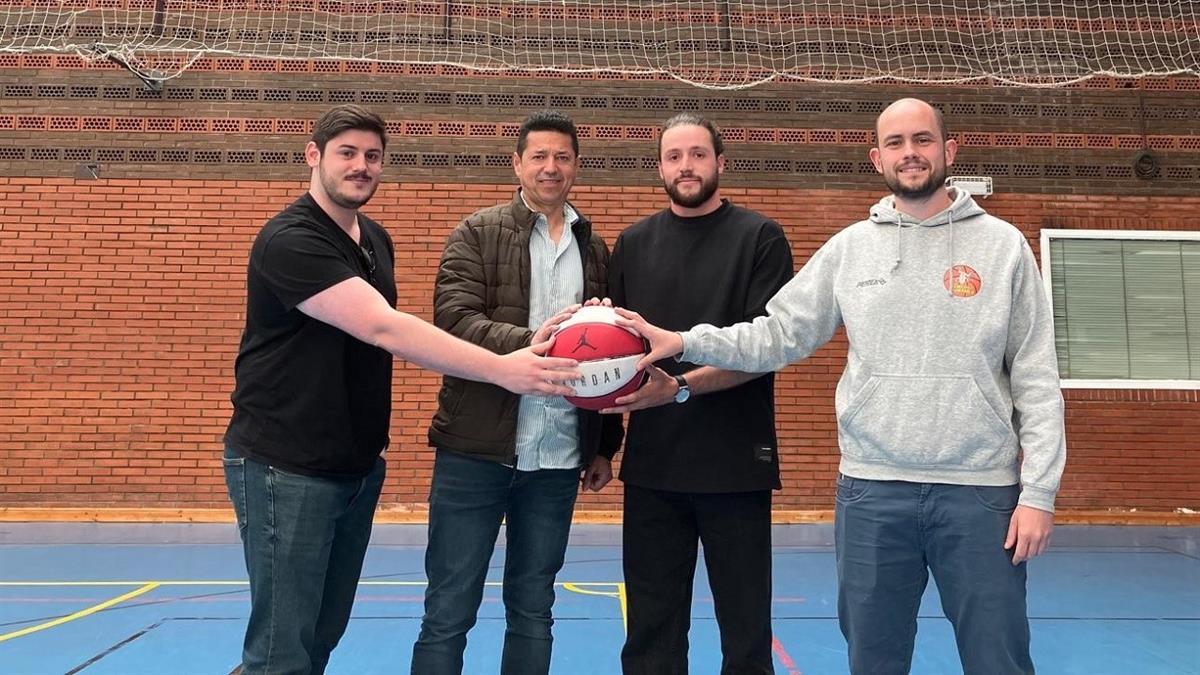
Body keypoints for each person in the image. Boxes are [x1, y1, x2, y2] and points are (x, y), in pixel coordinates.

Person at [620, 98, 1066, 675]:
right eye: (897, 143)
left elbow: (1035, 375)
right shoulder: (852, 248)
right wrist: (683, 342)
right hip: (873, 492)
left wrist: (1039, 494)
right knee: (872, 661)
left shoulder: (1003, 246)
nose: (911, 154)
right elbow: (776, 335)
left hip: (979, 494)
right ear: (876, 157)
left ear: (948, 151)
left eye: (923, 140)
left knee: (997, 659)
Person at [222, 104, 581, 675]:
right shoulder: (290, 239)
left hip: (354, 466)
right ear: (313, 157)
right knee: (280, 650)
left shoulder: (374, 239)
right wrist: (502, 367)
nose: (361, 166)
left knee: (317, 636)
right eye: (347, 153)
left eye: (372, 156)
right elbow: (382, 326)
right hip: (284, 466)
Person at [410, 110, 624, 675]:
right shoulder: (476, 232)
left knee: (534, 608)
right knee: (448, 609)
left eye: (562, 158)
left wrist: (605, 443)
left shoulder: (595, 248)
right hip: (474, 451)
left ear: (575, 167)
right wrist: (537, 341)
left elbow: (611, 357)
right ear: (517, 164)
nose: (550, 168)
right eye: (539, 157)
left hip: (557, 458)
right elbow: (452, 320)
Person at [604, 113, 794, 674]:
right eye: (674, 156)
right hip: (654, 469)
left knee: (745, 629)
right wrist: (602, 446)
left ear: (720, 163)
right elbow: (618, 357)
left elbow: (766, 349)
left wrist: (679, 388)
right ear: (660, 167)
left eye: (697, 155)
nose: (686, 166)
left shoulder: (760, 238)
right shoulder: (634, 244)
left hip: (735, 466)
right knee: (651, 630)